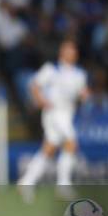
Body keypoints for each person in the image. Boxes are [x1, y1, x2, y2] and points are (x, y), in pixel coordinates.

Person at [18, 39, 90, 189]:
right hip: (54, 113)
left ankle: (26, 182)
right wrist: (41, 100)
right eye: (68, 49)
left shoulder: (80, 74)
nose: (71, 53)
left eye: (73, 50)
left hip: (68, 113)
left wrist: (84, 96)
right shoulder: (52, 69)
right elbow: (34, 85)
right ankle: (63, 184)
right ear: (61, 52)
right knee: (71, 142)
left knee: (49, 148)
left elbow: (81, 94)